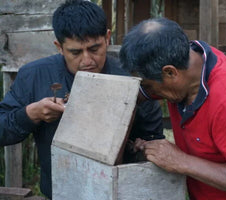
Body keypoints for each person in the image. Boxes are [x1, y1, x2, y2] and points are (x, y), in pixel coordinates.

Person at [0, 1, 163, 199]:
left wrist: (142, 147)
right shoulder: (33, 76)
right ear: (59, 47)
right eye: (75, 52)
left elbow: (154, 139)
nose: (87, 60)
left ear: (107, 38)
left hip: (122, 193)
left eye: (94, 49)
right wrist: (31, 114)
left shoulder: (133, 79)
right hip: (60, 193)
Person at [119, 18, 226, 200]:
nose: (147, 92)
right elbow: (134, 95)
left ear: (170, 72)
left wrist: (180, 161)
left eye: (148, 86)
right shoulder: (188, 62)